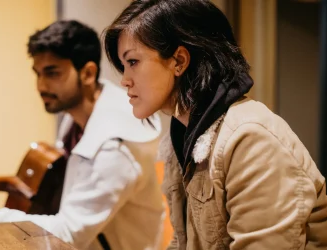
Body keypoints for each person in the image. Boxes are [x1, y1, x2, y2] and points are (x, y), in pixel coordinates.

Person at [103, 0, 327, 249]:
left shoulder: (250, 139)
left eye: (132, 62)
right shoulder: (182, 136)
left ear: (179, 60)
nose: (124, 80)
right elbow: (182, 242)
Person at [0, 20, 164, 250]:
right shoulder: (75, 117)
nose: (40, 85)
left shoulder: (114, 146)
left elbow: (67, 234)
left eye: (52, 73)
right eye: (37, 74)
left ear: (88, 73)